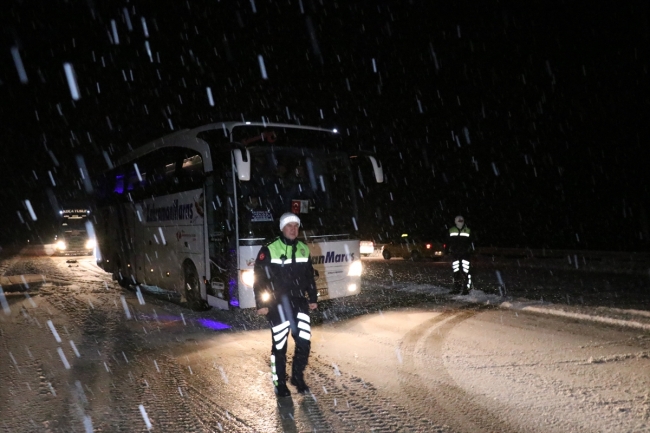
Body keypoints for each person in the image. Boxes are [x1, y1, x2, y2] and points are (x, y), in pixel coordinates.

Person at [254, 212, 318, 397]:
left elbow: (309, 277)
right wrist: (261, 302)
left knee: (304, 343)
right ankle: (279, 383)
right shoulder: (269, 249)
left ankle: (297, 377)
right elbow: (258, 277)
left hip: (299, 303)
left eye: (296, 226)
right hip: (277, 305)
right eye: (289, 226)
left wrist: (312, 298)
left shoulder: (303, 249)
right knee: (279, 346)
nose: (293, 229)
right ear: (282, 228)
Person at [448, 215, 473, 294]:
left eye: (461, 220)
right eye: (458, 221)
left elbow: (472, 242)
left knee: (466, 271)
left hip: (465, 254)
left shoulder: (468, 230)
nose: (460, 222)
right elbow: (448, 241)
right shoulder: (451, 230)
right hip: (455, 254)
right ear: (455, 221)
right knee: (456, 272)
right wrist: (449, 250)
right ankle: (456, 288)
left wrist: (470, 250)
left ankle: (466, 289)